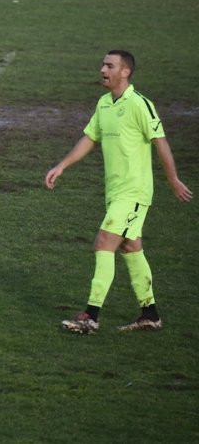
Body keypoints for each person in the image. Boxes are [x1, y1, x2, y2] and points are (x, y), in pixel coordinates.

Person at [45, 50, 192, 334]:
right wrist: (62, 165)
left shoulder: (139, 104)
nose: (102, 69)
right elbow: (90, 137)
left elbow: (160, 142)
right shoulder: (104, 104)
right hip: (115, 192)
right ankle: (150, 313)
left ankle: (90, 315)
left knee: (104, 241)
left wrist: (172, 179)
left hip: (134, 193)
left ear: (125, 72)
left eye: (109, 65)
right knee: (130, 246)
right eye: (103, 64)